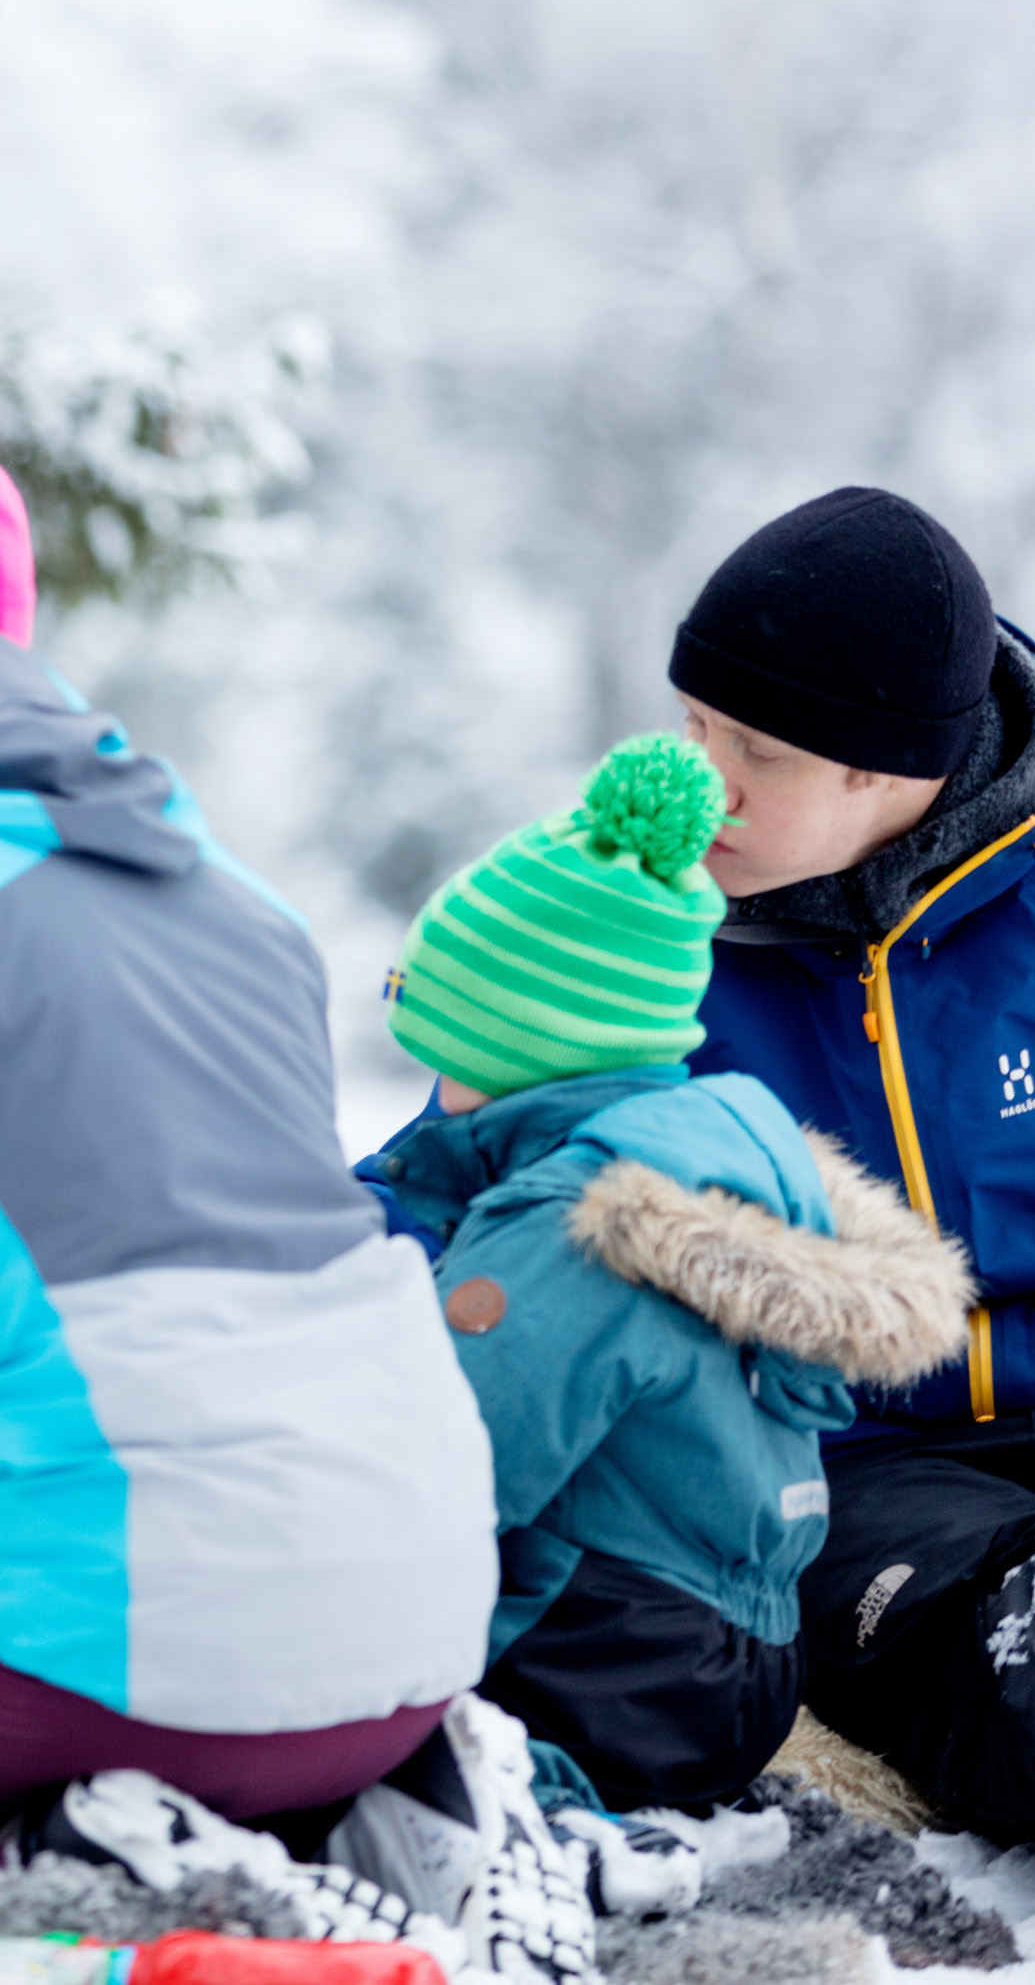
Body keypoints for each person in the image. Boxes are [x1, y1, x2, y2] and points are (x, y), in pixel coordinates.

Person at [0, 419, 509, 1926]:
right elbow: (194, 1334)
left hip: (146, 1640)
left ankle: (78, 1864)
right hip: (417, 1623)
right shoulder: (236, 898)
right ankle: (320, 1831)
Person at [664, 488, 1035, 1855]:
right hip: (859, 1471)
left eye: (752, 748)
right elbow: (465, 1192)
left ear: (890, 772)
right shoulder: (637, 934)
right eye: (690, 725)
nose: (695, 780)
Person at [365, 732, 972, 1873]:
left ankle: (521, 1812)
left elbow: (436, 1472)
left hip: (604, 1670)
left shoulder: (570, 1223)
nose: (427, 1085)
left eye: (437, 1034)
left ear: (514, 1040)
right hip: (732, 1659)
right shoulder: (715, 1167)